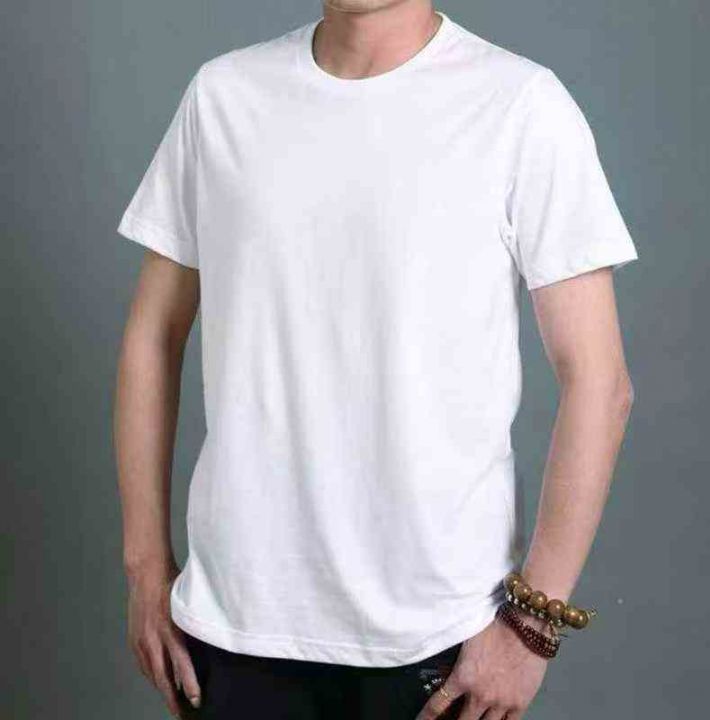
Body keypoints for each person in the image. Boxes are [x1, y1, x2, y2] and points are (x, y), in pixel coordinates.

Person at [113, 1, 638, 719]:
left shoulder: (519, 104)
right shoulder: (224, 96)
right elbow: (152, 336)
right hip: (234, 624)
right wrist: (145, 569)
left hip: (439, 637)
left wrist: (533, 625)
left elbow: (600, 382)